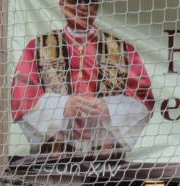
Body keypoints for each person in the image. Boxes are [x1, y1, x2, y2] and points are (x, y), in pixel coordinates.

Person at [9, 0, 154, 161]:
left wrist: (110, 109)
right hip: (53, 162)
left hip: (106, 162)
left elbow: (144, 100)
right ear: (62, 3)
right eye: (75, 1)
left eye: (90, 2)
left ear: (98, 5)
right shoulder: (37, 47)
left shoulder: (123, 50)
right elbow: (21, 99)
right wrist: (62, 107)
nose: (83, 7)